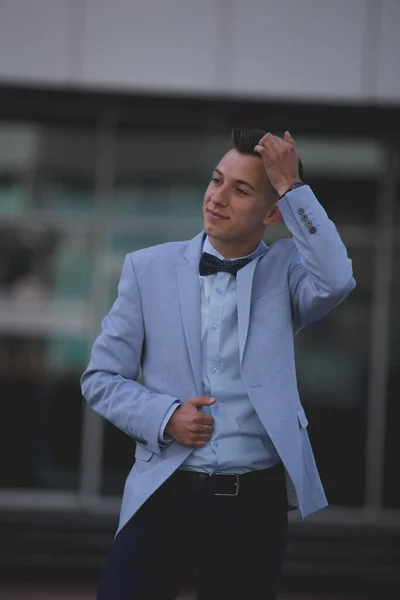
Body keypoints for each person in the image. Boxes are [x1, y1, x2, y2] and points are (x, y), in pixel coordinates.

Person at [81, 127, 355, 600]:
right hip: (165, 491)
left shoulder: (290, 274)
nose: (217, 197)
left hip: (254, 504)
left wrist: (293, 188)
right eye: (216, 180)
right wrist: (165, 417)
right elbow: (101, 378)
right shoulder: (147, 270)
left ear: (272, 213)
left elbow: (337, 279)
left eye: (241, 189)